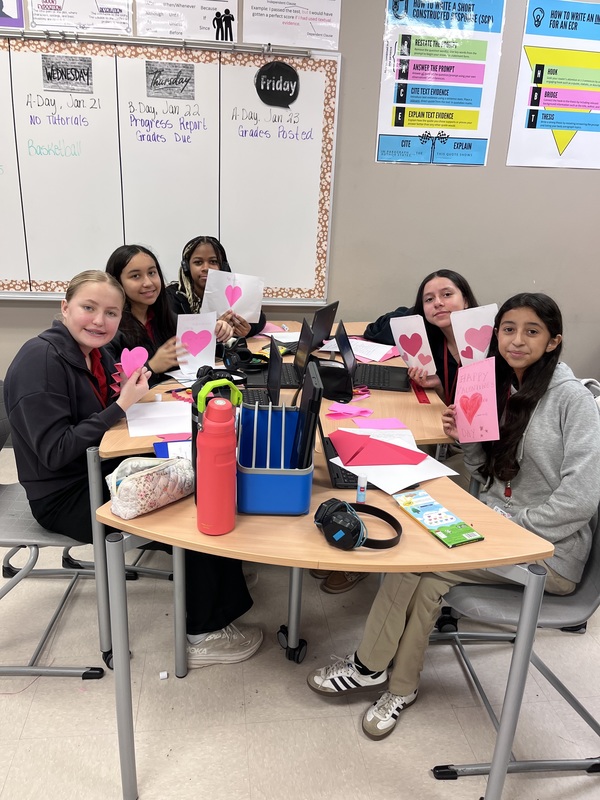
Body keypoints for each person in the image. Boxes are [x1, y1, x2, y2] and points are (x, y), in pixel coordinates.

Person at [307, 293, 600, 741]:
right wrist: (469, 440)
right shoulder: (495, 383)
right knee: (428, 579)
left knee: (419, 558)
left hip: (548, 551)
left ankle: (368, 667)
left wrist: (507, 527)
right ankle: (400, 688)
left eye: (532, 331)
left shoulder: (572, 401)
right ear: (496, 333)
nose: (517, 340)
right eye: (508, 329)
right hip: (496, 527)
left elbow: (581, 499)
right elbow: (485, 475)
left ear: (554, 341)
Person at [4, 270, 262, 668]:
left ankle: (219, 574)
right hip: (64, 494)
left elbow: (107, 409)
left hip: (98, 465)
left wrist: (132, 399)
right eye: (88, 308)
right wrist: (120, 405)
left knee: (203, 475)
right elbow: (55, 452)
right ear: (64, 307)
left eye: (110, 312)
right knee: (189, 509)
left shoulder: (94, 352)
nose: (99, 321)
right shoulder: (39, 362)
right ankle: (204, 631)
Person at [106, 244, 233, 386]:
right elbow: (112, 386)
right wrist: (152, 367)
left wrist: (217, 332)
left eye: (152, 273)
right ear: (117, 282)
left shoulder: (165, 317)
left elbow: (192, 352)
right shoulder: (110, 330)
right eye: (136, 276)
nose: (148, 283)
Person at [364, 269, 478, 405]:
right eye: (429, 299)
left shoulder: (488, 343)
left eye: (447, 295)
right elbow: (374, 331)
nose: (438, 303)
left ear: (466, 300)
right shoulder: (429, 344)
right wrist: (438, 386)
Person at [166, 235, 267, 339]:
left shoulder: (233, 292)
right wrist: (213, 327)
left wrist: (248, 330)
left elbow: (260, 318)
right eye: (198, 262)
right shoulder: (172, 295)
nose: (206, 268)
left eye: (213, 262)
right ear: (186, 267)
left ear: (223, 267)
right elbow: (170, 329)